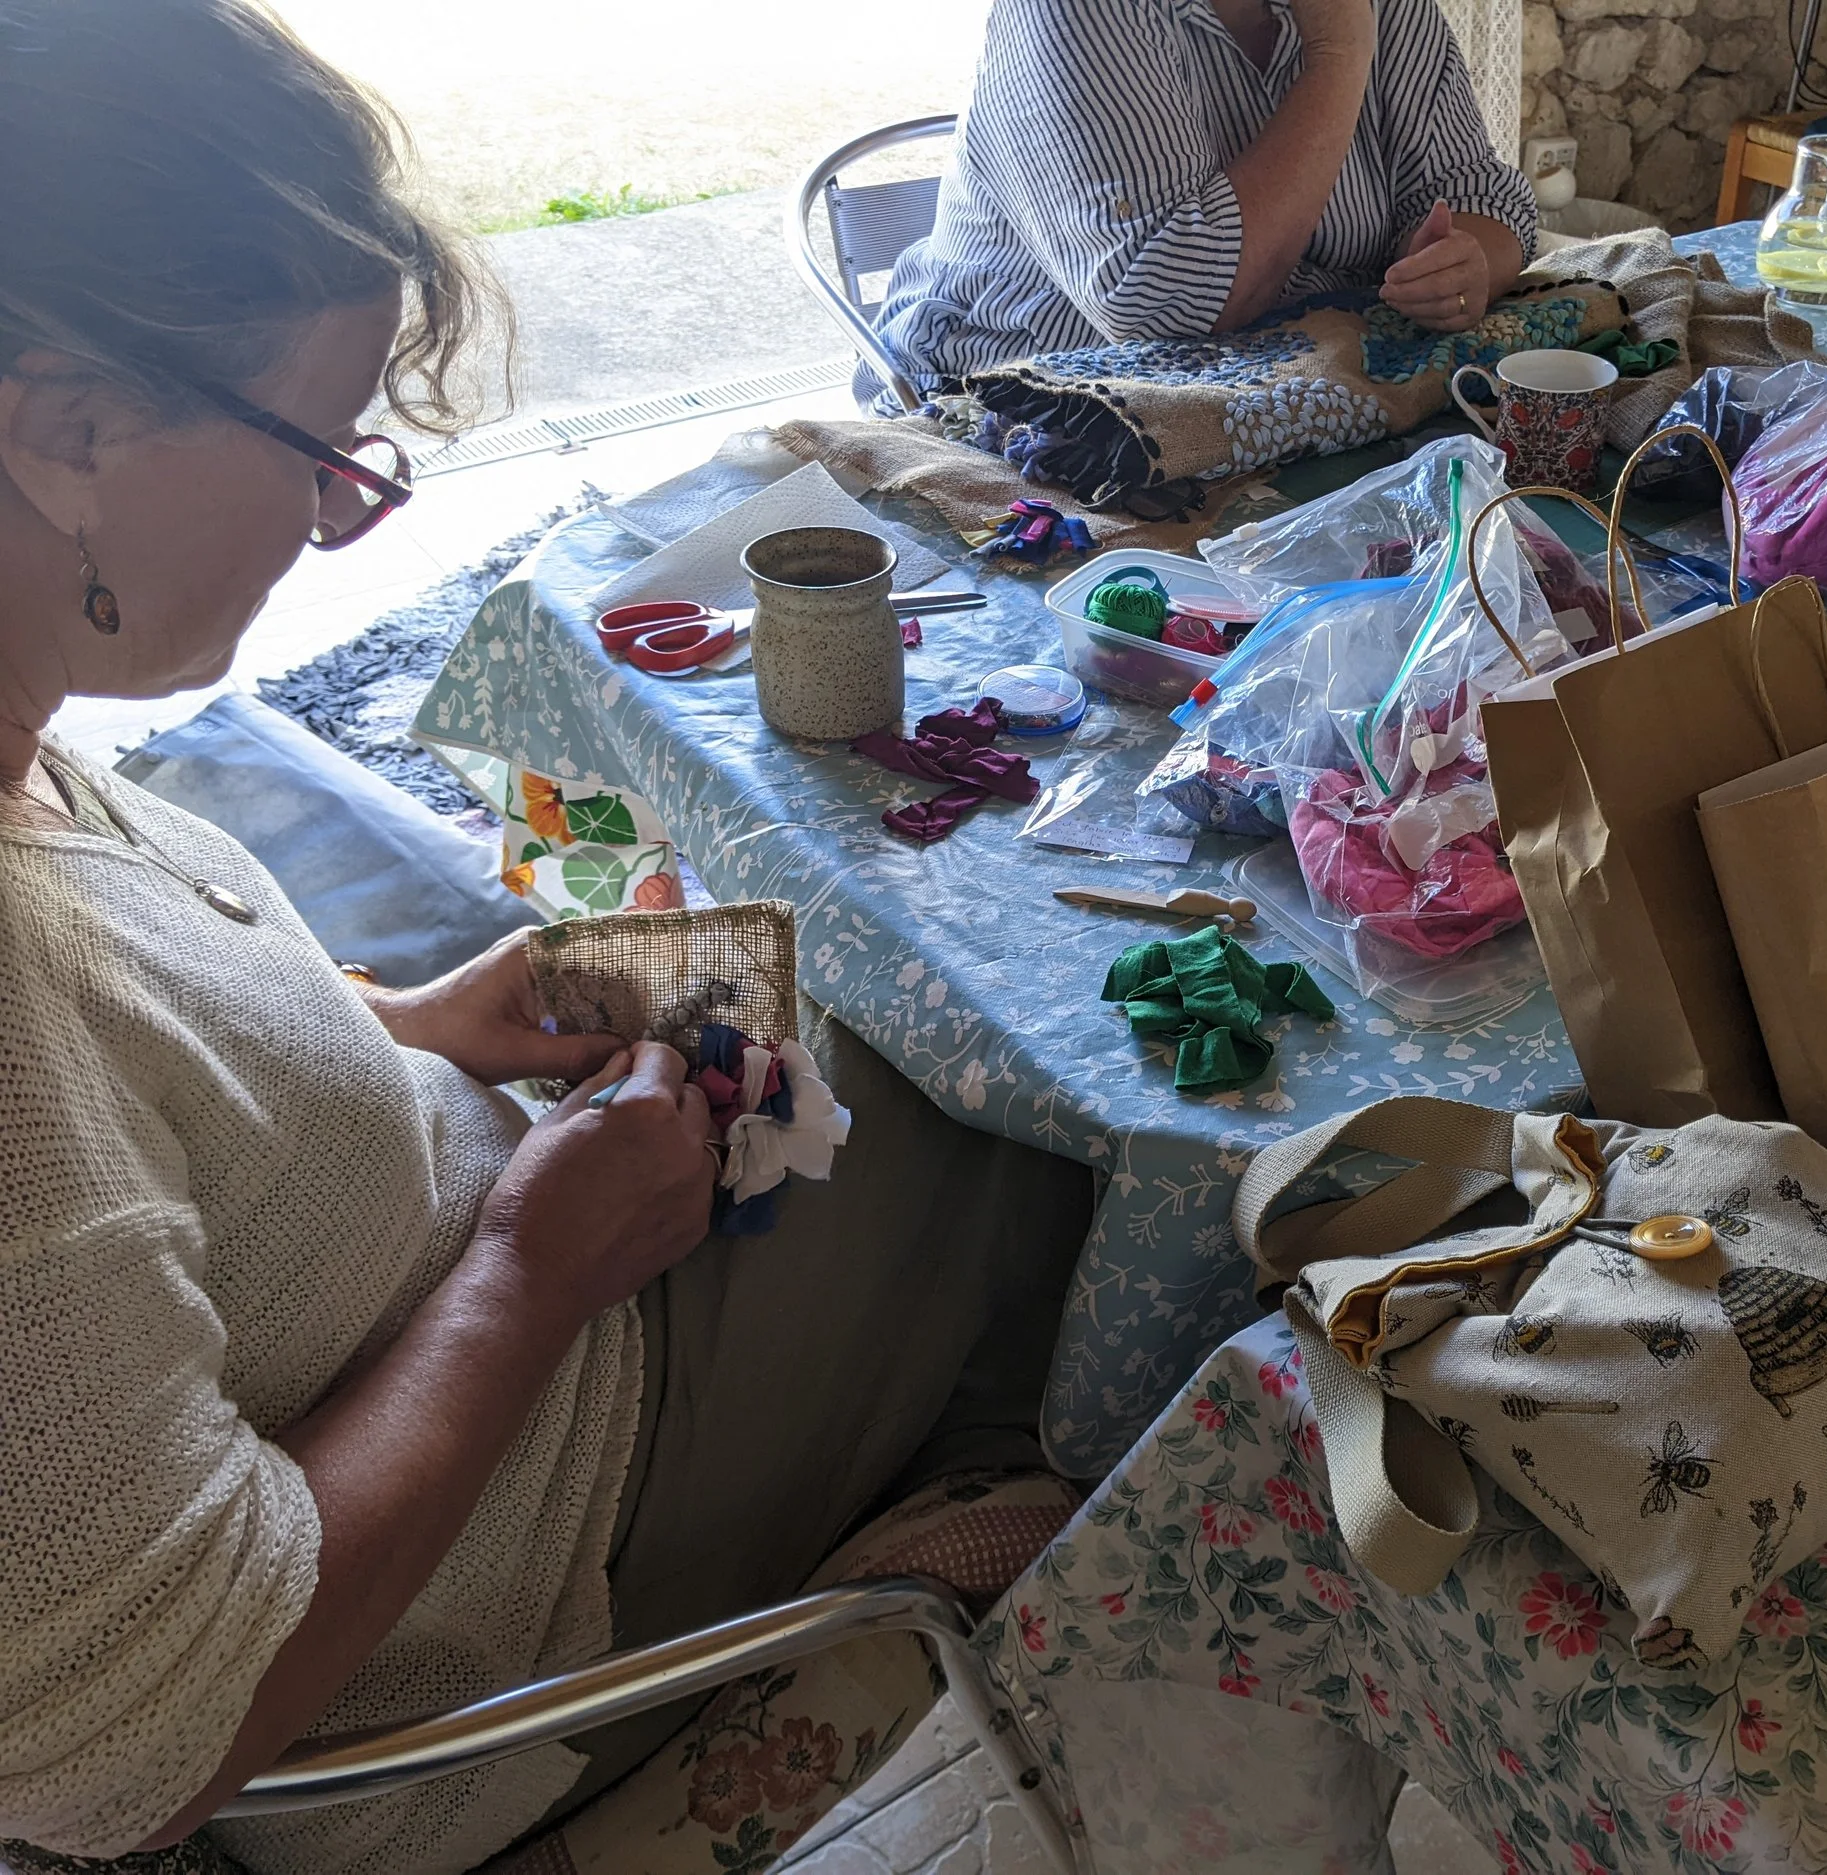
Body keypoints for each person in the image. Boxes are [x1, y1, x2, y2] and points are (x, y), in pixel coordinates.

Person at [0, 4, 1092, 1871]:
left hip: (493, 1294)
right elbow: (136, 1755)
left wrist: (407, 1025)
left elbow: (140, 1078)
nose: (334, 523)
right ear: (76, 431)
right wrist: (531, 1277)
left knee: (880, 1006)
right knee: (1040, 1142)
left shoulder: (31, 740)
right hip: (522, 1573)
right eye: (323, 455)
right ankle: (988, 1514)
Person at [870, 0, 1541, 393]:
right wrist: (1339, 58)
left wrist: (1470, 263)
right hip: (1026, 400)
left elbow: (1471, 187)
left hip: (1282, 388)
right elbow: (1166, 305)